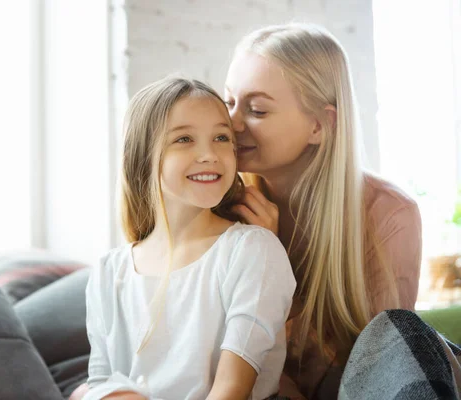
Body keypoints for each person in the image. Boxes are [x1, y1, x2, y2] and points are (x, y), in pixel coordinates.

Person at [224, 23, 423, 399]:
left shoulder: (390, 216)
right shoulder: (224, 200)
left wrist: (270, 263)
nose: (233, 124)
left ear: (320, 125)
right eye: (229, 101)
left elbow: (372, 378)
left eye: (257, 110)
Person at [78, 76, 296, 400]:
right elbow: (99, 382)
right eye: (184, 140)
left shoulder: (253, 251)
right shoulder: (109, 271)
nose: (209, 154)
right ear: (142, 155)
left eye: (222, 137)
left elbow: (232, 389)